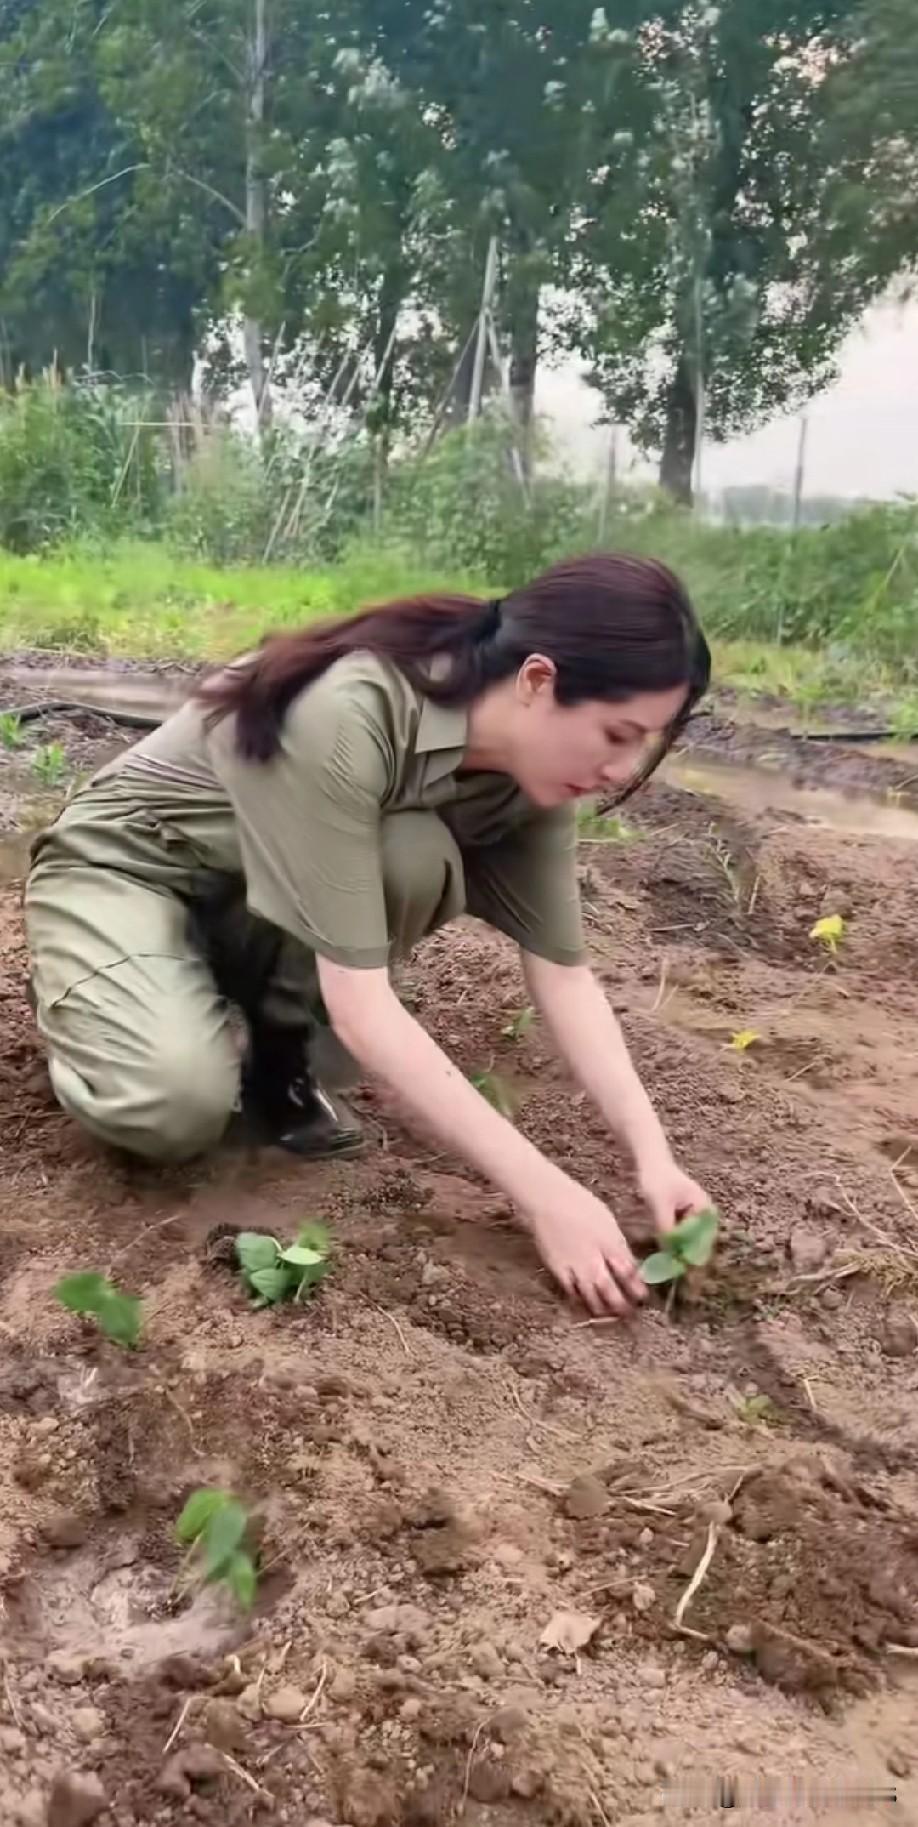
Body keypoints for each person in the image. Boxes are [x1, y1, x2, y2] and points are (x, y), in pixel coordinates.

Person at [25, 551, 711, 1318]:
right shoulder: (349, 711)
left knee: (410, 853)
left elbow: (563, 974)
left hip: (254, 900)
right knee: (170, 1104)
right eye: (617, 733)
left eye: (644, 744)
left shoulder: (529, 778)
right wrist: (544, 1192)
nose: (622, 768)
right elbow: (362, 1006)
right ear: (537, 680)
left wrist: (654, 1158)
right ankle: (101, 1005)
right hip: (134, 872)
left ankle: (276, 1062)